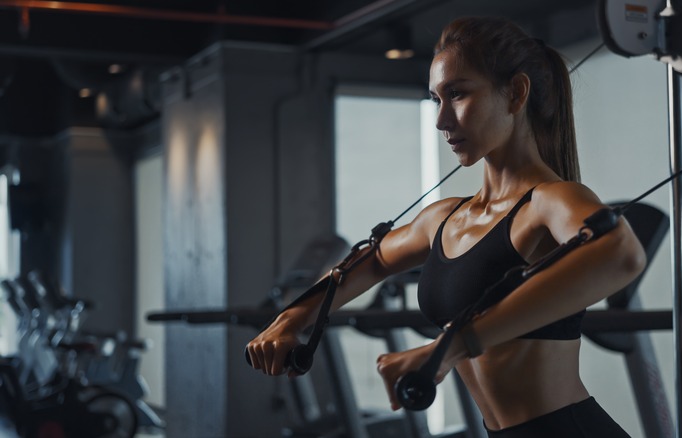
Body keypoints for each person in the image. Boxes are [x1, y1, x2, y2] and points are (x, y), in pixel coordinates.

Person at [246, 16, 645, 437]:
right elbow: (374, 261)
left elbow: (621, 254)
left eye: (457, 94)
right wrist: (292, 319)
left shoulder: (551, 201)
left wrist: (452, 345)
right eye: (436, 98)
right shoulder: (444, 218)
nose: (440, 120)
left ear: (516, 92)